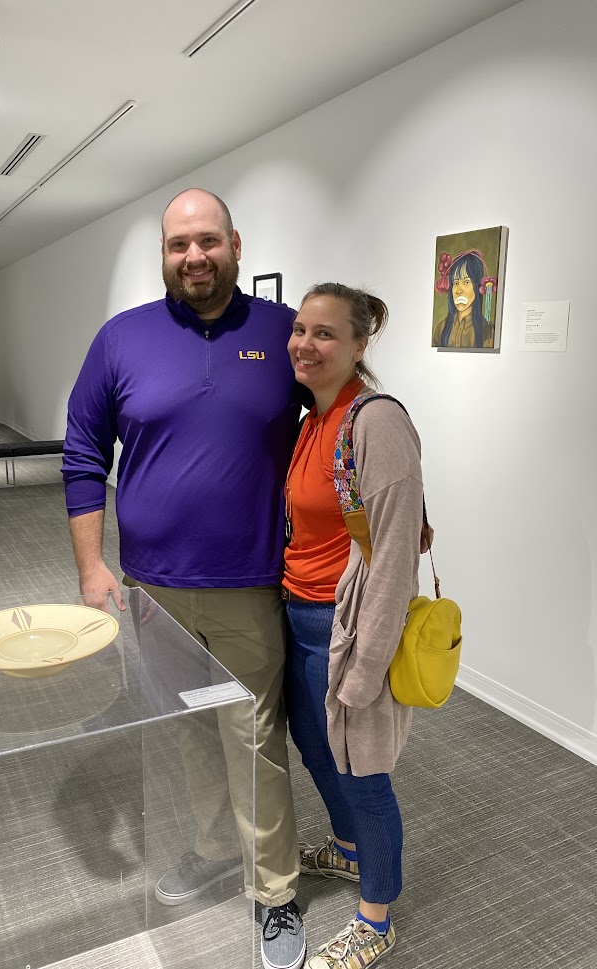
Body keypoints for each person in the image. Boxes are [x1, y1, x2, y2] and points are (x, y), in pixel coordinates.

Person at [63, 188, 306, 969]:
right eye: (177, 245)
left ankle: (273, 893)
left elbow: (346, 417)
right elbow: (80, 453)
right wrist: (92, 567)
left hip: (248, 584)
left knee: (254, 736)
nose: (193, 257)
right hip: (151, 588)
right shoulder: (120, 339)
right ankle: (211, 846)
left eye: (207, 241)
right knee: (188, 727)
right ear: (162, 255)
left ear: (235, 243)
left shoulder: (283, 332)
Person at [282, 283, 424, 968]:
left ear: (360, 345)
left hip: (346, 634)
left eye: (325, 333)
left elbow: (395, 556)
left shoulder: (374, 421)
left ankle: (376, 917)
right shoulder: (311, 417)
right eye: (299, 329)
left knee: (364, 774)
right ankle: (344, 851)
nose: (305, 344)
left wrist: (367, 666)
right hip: (298, 618)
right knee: (317, 753)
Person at [432, 248, 496, 348]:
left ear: (477, 286)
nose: (458, 290)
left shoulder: (488, 331)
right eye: (456, 283)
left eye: (466, 282)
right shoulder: (440, 329)